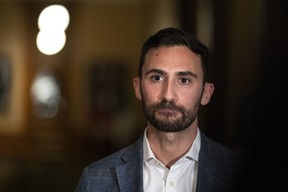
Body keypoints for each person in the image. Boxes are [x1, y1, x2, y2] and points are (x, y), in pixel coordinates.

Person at [74, 27, 248, 192]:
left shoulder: (243, 175)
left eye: (184, 80)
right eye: (157, 78)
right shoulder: (95, 180)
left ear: (206, 93)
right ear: (137, 88)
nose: (168, 95)